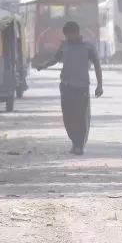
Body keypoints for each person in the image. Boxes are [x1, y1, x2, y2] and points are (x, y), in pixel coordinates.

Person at [36, 21, 103, 155]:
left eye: (69, 35)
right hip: (66, 86)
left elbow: (97, 65)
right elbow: (55, 59)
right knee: (68, 117)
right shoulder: (64, 45)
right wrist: (44, 65)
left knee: (81, 117)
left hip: (82, 87)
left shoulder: (88, 47)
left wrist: (99, 85)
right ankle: (74, 142)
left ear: (76, 33)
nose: (68, 38)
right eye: (66, 36)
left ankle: (79, 145)